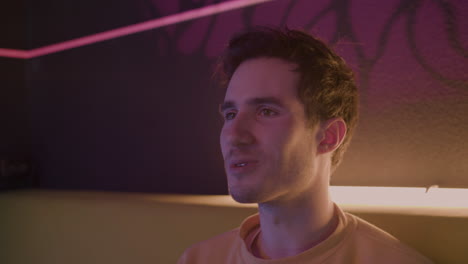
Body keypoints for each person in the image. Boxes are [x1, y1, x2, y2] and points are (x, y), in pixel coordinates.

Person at [177, 27, 433, 263]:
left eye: (266, 111)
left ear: (328, 137)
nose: (233, 135)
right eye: (231, 114)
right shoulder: (199, 259)